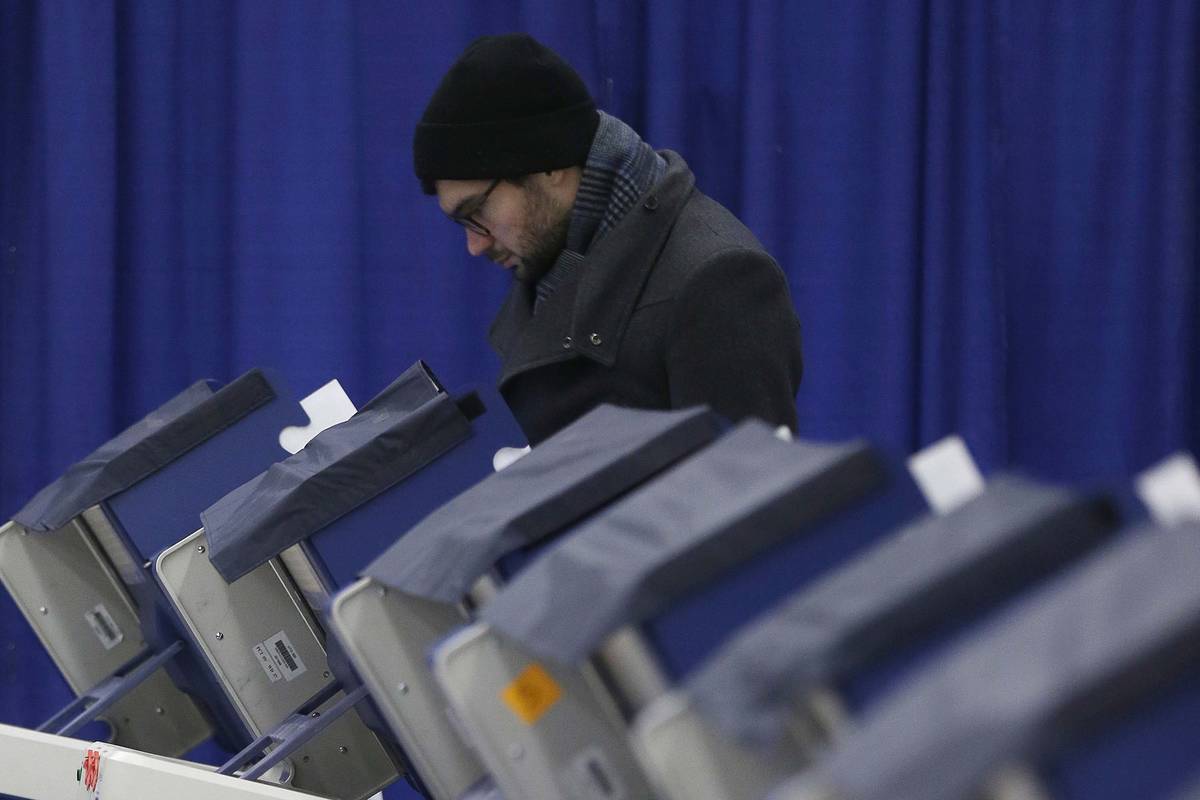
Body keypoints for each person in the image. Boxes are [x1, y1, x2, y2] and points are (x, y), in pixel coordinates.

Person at [413, 33, 803, 445]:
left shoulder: (718, 278)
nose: (474, 245)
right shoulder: (557, 258)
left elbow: (746, 494)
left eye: (477, 212)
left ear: (549, 167)